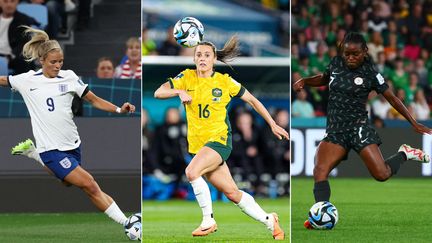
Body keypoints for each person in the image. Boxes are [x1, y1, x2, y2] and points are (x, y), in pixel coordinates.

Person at [1, 26, 136, 232]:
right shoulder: (26, 80)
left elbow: (93, 99)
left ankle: (32, 153)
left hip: (72, 143)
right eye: (53, 62)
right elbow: (3, 80)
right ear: (42, 61)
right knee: (90, 184)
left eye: (60, 61)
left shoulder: (70, 77)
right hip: (51, 147)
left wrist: (119, 109)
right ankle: (128, 225)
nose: (57, 66)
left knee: (67, 182)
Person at [293, 32, 432, 229]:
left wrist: (413, 122)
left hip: (358, 127)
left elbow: (392, 99)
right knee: (320, 170)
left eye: (355, 54)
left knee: (381, 174)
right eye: (346, 53)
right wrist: (306, 80)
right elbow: (324, 79)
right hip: (336, 130)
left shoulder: (370, 73)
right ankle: (320, 214)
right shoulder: (335, 63)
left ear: (364, 52)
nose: (349, 58)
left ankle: (404, 153)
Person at [154, 36, 289, 240]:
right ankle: (270, 221)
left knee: (191, 172)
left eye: (207, 55)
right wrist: (179, 91)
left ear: (214, 59)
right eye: (198, 54)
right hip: (199, 146)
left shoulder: (224, 81)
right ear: (194, 58)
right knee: (233, 193)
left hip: (219, 141)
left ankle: (208, 220)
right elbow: (158, 92)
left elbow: (252, 100)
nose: (202, 58)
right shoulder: (186, 77)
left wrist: (272, 123)